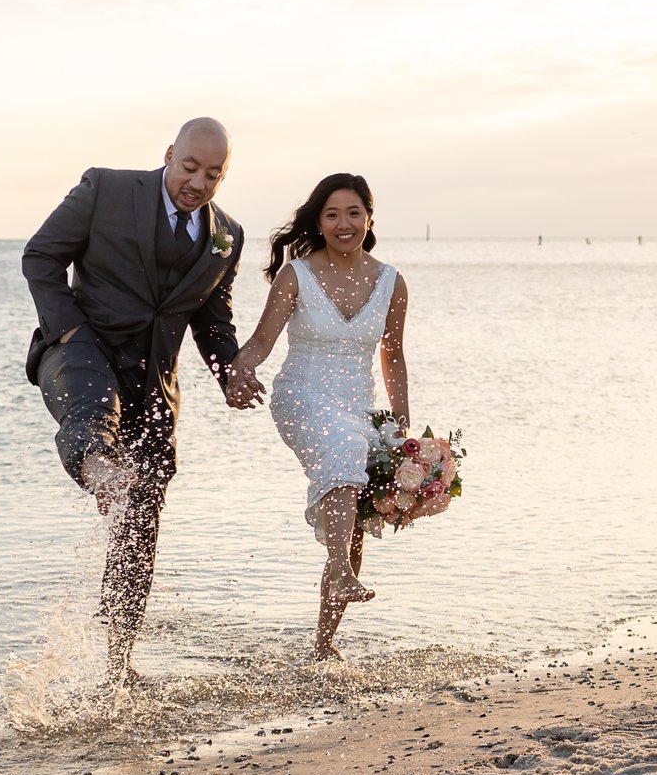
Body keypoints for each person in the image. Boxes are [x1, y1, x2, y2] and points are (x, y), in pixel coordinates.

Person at [22, 117, 262, 687]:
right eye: (189, 166)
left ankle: (119, 661)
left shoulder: (227, 236)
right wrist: (69, 331)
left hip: (155, 385)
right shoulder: (104, 189)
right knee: (92, 413)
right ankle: (100, 470)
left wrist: (229, 374)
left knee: (142, 522)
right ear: (168, 155)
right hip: (80, 351)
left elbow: (213, 318)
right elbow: (40, 257)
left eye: (213, 174)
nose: (197, 182)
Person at [228, 173, 409, 660]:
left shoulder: (391, 281)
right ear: (319, 221)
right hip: (301, 396)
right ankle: (340, 573)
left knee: (354, 520)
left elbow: (392, 355)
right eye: (331, 214)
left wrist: (402, 424)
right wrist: (235, 372)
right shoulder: (296, 275)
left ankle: (324, 644)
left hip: (358, 406)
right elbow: (262, 342)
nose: (343, 223)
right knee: (345, 451)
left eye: (353, 213)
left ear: (369, 216)